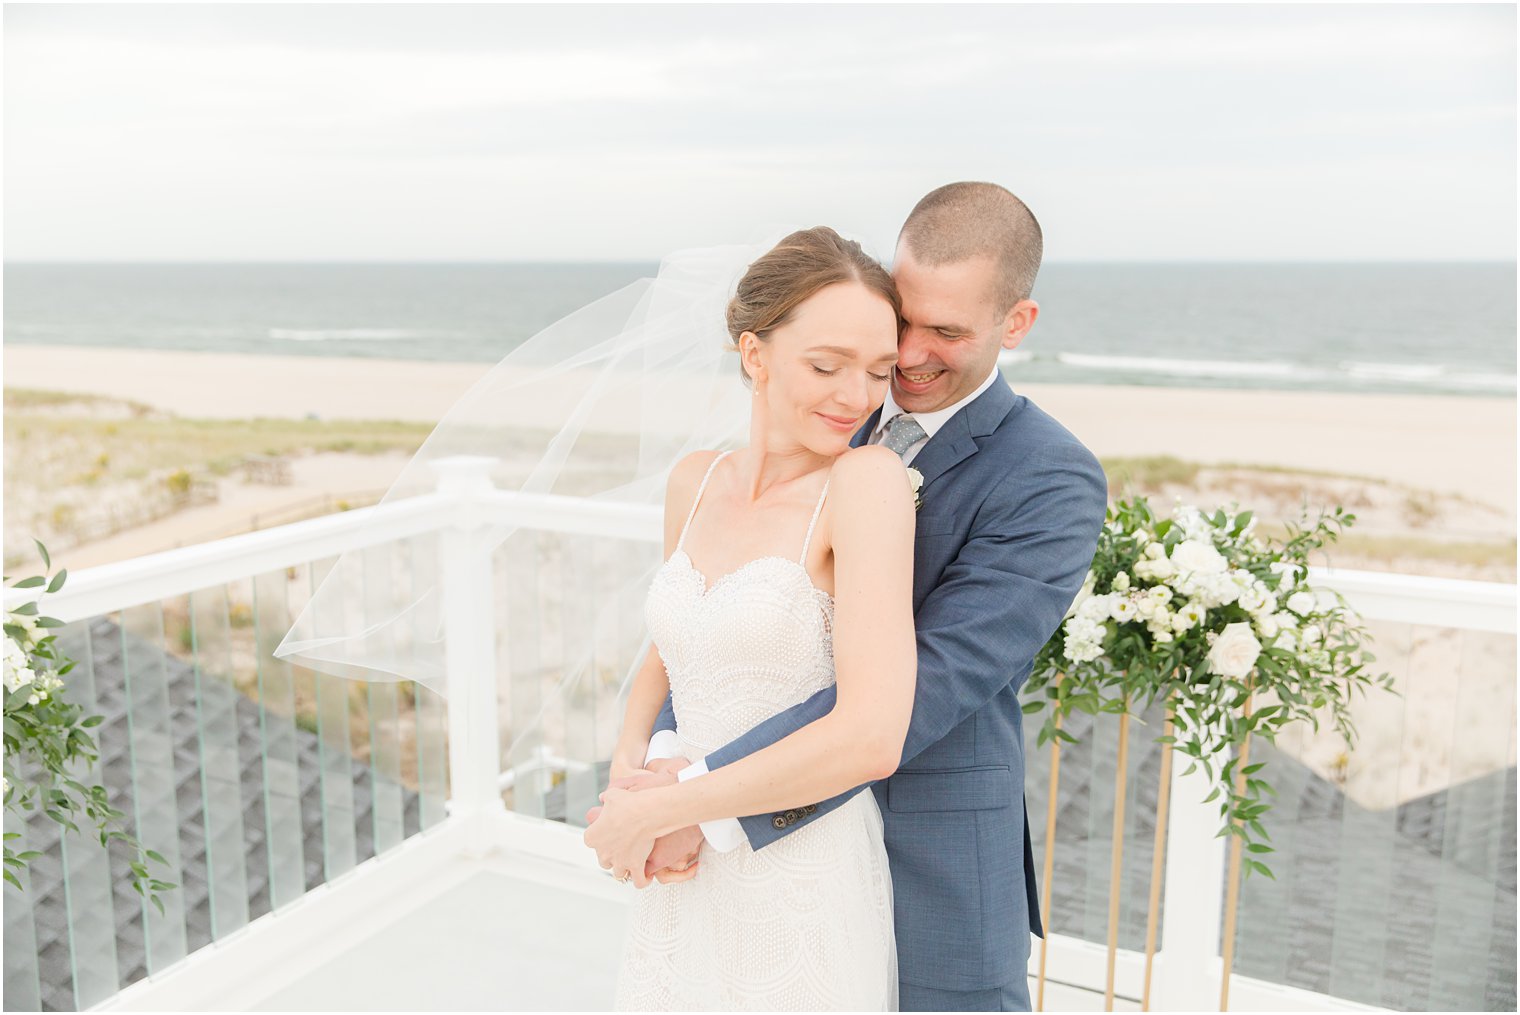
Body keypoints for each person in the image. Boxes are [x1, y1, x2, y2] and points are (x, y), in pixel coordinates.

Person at [587, 182, 1108, 1012]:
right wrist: (650, 765)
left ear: (1016, 324)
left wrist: (696, 799)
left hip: (930, 851)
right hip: (730, 853)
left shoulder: (1050, 476)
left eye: (947, 331)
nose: (906, 358)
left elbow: (926, 688)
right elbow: (696, 637)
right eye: (903, 321)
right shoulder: (831, 411)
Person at [585, 225, 917, 1010]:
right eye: (826, 364)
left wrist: (668, 806)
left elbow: (872, 737)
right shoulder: (694, 480)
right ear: (754, 353)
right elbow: (667, 655)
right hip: (683, 862)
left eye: (878, 371)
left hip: (797, 866)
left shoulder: (867, 484)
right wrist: (629, 773)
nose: (856, 397)